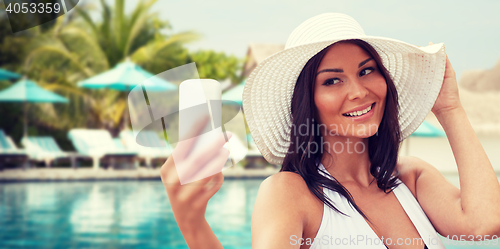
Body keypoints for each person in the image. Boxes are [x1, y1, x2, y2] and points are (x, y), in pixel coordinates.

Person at [160, 13, 500, 248]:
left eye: (367, 71)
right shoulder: (290, 194)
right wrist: (192, 224)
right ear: (308, 101)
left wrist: (449, 108)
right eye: (333, 80)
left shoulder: (409, 178)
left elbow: (484, 227)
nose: (358, 91)